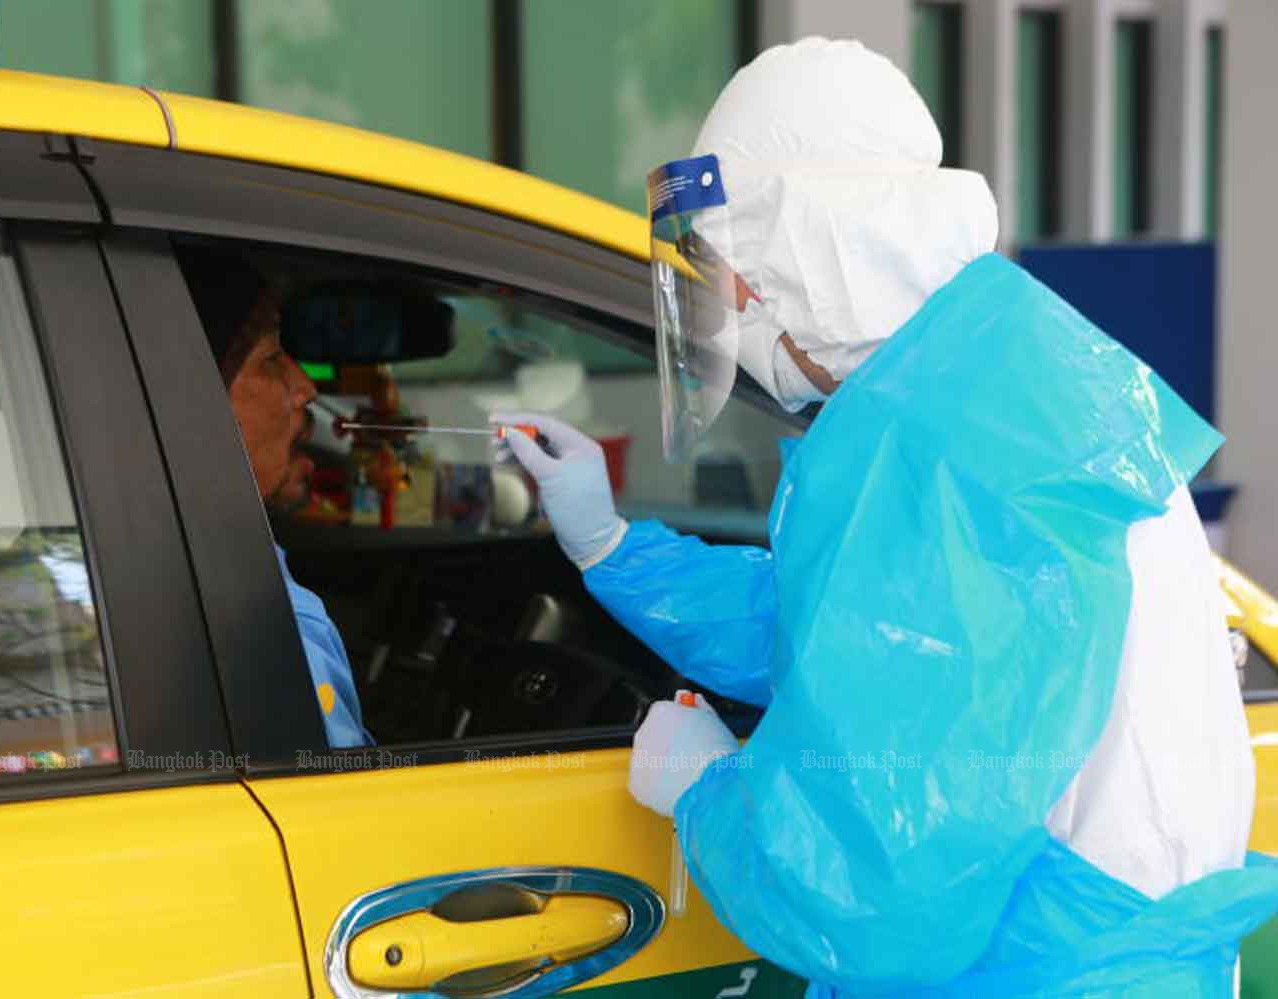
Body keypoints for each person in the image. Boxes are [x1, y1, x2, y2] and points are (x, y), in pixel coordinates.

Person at [495, 38, 1278, 998]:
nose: (727, 306)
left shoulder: (960, 455)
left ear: (810, 250)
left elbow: (876, 888)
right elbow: (844, 632)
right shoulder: (989, 387)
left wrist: (712, 797)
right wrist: (616, 548)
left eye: (731, 268)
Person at [179, 249, 369, 748]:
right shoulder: (270, 628)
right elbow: (342, 812)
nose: (305, 387)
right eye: (270, 358)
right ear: (189, 395)